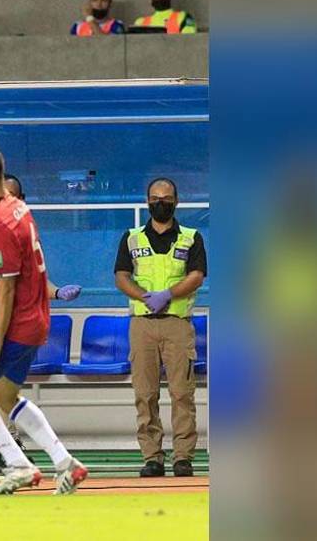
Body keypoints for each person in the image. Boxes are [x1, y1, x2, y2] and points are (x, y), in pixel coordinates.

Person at [0, 148, 88, 495]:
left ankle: (19, 464)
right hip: (35, 321)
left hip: (12, 323)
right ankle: (65, 462)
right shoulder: (18, 209)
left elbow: (6, 289)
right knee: (5, 394)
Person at [113, 178, 206, 478]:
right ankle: (152, 456)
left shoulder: (191, 237)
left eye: (166, 198)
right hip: (142, 324)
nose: (160, 203)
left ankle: (183, 457)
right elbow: (121, 276)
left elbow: (197, 275)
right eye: (155, 198)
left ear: (176, 201)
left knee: (182, 393)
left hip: (177, 323)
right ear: (147, 201)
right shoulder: (131, 237)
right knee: (145, 393)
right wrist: (144, 296)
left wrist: (168, 295)